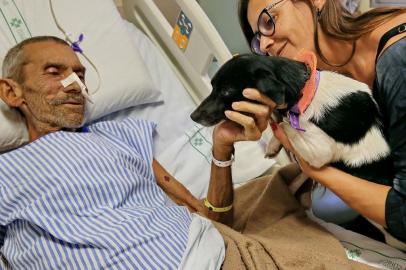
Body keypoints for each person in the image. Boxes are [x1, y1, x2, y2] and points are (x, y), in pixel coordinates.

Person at [0, 36, 273, 269]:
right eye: (53, 72)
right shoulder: (6, 171)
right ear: (11, 92)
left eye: (80, 75)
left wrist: (221, 148)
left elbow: (216, 222)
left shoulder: (117, 136)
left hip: (203, 257)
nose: (73, 85)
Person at [237, 0, 406, 247]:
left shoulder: (397, 62)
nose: (264, 44)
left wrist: (313, 169)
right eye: (257, 39)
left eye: (268, 19)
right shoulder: (337, 79)